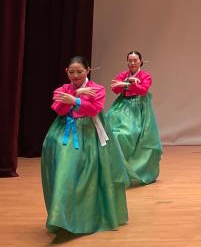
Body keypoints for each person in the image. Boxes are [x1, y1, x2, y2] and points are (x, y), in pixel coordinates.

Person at [42, 56, 129, 234]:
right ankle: (62, 217)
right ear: (66, 71)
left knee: (88, 175)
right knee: (63, 171)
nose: (75, 76)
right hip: (64, 131)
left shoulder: (97, 88)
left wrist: (75, 101)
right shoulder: (63, 89)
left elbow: (94, 109)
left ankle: (85, 216)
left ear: (88, 70)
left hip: (88, 132)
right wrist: (76, 95)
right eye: (71, 72)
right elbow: (58, 109)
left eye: (79, 72)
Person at [107, 51, 162, 185]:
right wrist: (126, 82)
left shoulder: (146, 76)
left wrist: (127, 85)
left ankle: (137, 170)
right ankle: (115, 170)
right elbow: (115, 89)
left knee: (132, 134)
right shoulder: (123, 75)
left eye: (135, 60)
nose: (132, 63)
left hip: (138, 107)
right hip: (122, 106)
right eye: (130, 61)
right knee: (111, 131)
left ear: (140, 62)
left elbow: (143, 90)